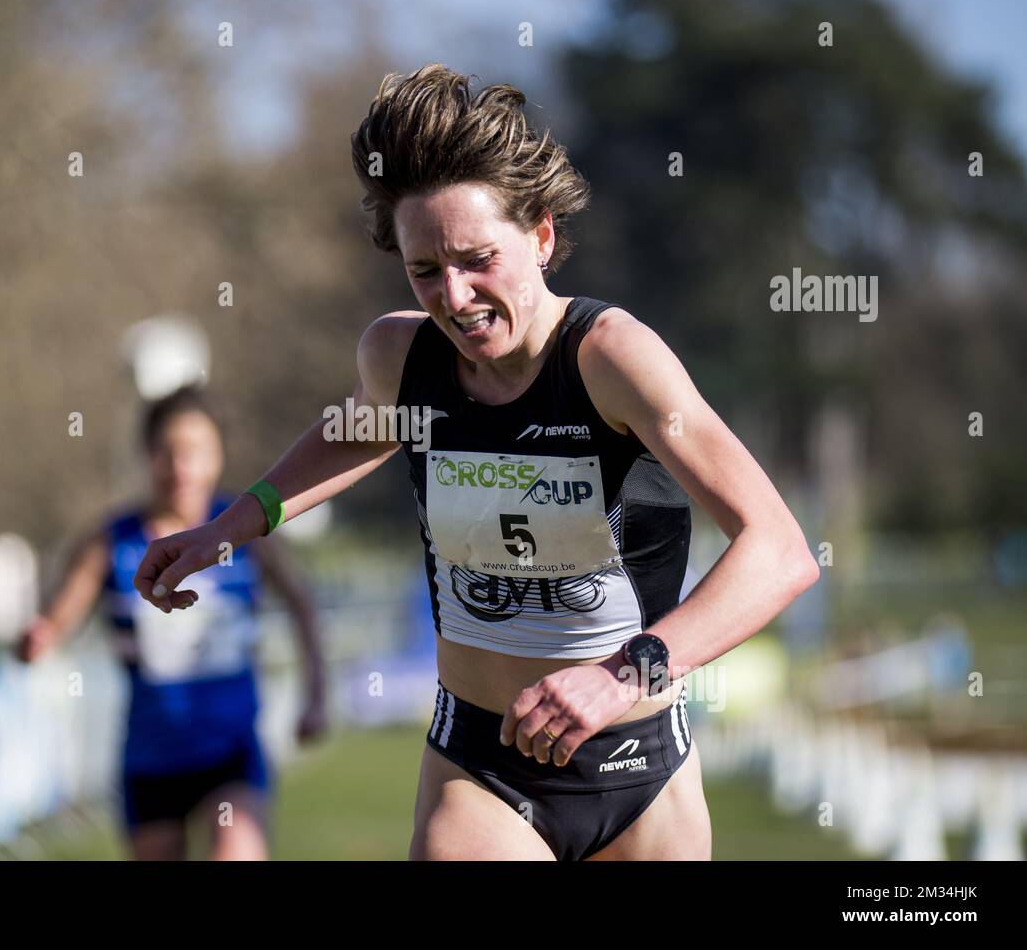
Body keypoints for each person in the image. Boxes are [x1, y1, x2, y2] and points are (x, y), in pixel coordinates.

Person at [131, 64, 819, 861]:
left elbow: (780, 551)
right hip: (481, 771)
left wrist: (624, 675)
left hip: (640, 771)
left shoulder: (612, 360)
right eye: (425, 270)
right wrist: (226, 527)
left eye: (477, 259)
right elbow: (358, 432)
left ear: (543, 236)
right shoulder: (401, 357)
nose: (454, 297)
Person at [20, 384, 327, 860]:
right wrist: (38, 637)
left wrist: (316, 698)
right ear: (146, 456)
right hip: (151, 761)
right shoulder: (110, 542)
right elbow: (58, 617)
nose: (181, 468)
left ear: (218, 456)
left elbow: (302, 604)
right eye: (167, 453)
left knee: (237, 851)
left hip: (231, 753)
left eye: (195, 452)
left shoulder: (245, 529)